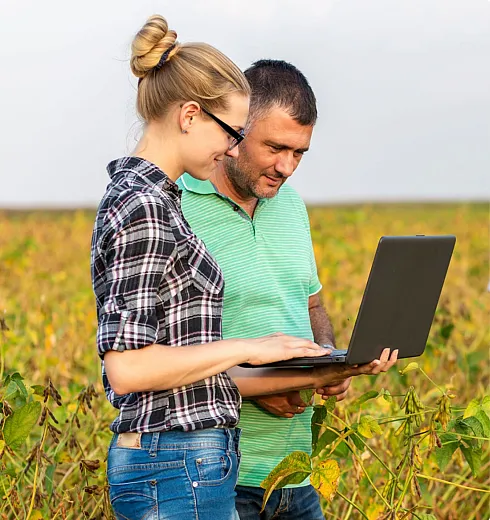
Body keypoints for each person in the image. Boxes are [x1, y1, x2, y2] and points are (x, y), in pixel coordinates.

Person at [90, 20, 328, 520]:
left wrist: (315, 365)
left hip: (191, 458)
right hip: (173, 462)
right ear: (190, 115)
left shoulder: (155, 198)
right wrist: (250, 348)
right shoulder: (145, 206)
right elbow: (127, 367)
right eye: (231, 132)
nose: (231, 147)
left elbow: (181, 364)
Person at [178, 60, 398, 520]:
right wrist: (257, 387)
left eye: (299, 153)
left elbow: (311, 301)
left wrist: (333, 357)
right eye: (275, 147)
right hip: (212, 473)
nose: (287, 167)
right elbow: (155, 357)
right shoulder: (174, 206)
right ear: (235, 130)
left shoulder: (291, 205)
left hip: (294, 475)